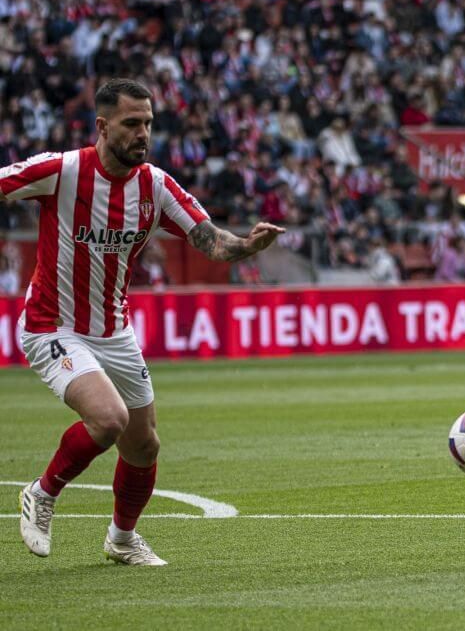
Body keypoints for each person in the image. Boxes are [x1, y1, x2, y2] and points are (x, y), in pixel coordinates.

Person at [0, 79, 285, 565]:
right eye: (132, 124)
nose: (143, 134)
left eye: (148, 124)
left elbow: (209, 240)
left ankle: (122, 539)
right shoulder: (62, 170)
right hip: (53, 324)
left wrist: (246, 245)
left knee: (144, 443)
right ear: (103, 127)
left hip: (114, 330)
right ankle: (42, 493)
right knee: (109, 419)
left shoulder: (154, 185)